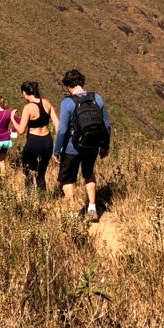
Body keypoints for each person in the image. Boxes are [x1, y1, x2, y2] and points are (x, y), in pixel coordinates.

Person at [52, 68, 111, 221]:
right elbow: (106, 124)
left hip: (72, 148)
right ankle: (92, 210)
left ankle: (72, 216)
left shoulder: (67, 103)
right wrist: (105, 146)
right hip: (92, 146)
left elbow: (63, 130)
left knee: (68, 179)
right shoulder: (97, 98)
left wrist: (57, 150)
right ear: (82, 82)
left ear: (67, 85)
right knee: (89, 174)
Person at [12, 81, 58, 192]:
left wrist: (12, 118)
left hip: (34, 141)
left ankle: (30, 200)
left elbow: (21, 130)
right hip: (47, 140)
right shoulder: (46, 103)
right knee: (41, 174)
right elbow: (57, 124)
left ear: (24, 93)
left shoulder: (28, 108)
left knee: (28, 172)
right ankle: (42, 199)